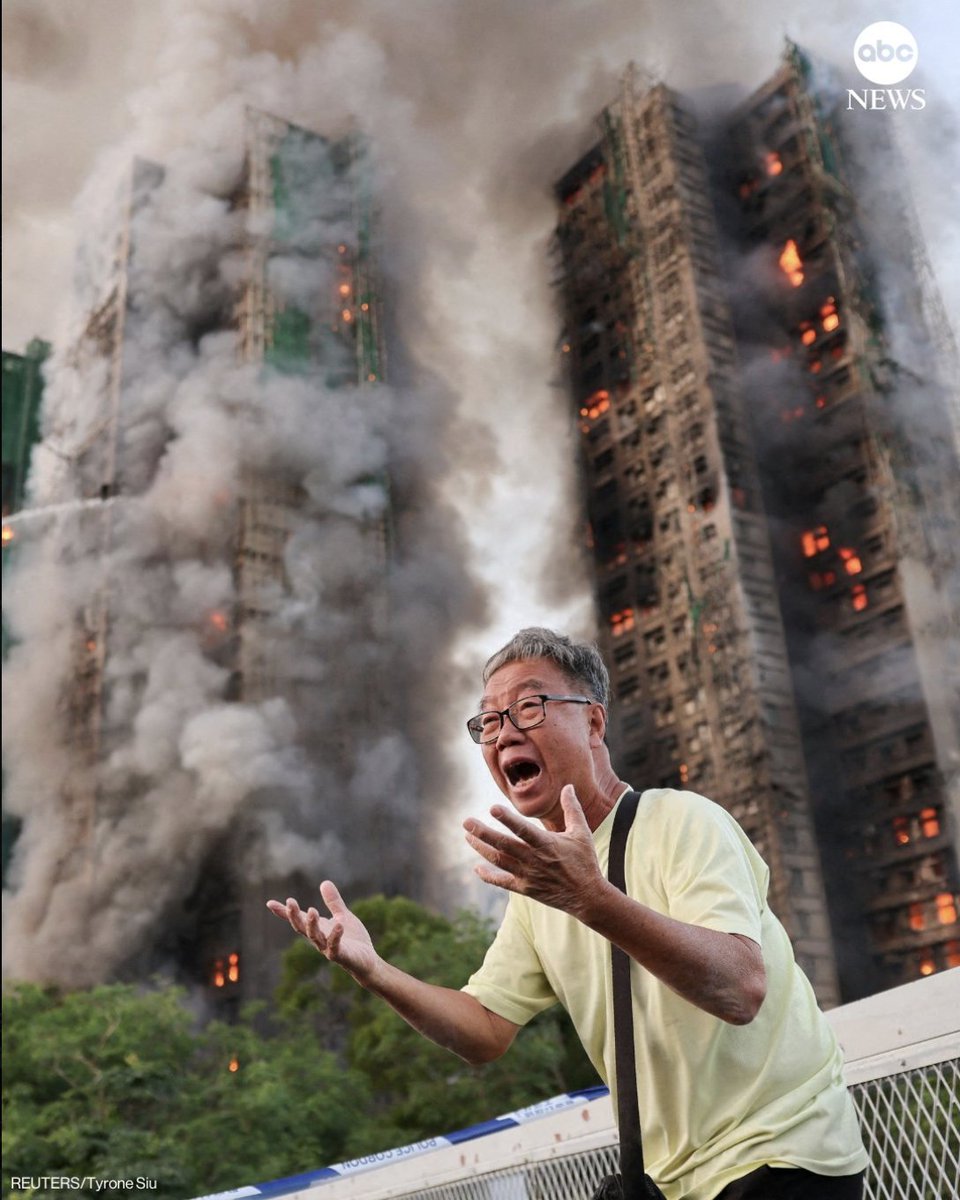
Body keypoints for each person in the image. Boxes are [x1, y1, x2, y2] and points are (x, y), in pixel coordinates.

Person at [268, 627, 868, 1200]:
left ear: (594, 721)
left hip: (781, 1156)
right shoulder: (540, 887)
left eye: (529, 708)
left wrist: (590, 897)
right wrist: (374, 971)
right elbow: (484, 1031)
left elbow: (741, 988)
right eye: (489, 721)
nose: (504, 734)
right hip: (668, 1180)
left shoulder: (682, 821)